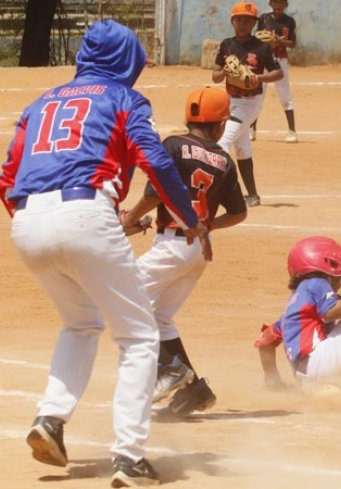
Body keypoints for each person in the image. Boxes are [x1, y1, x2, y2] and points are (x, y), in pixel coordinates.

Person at [0, 20, 207, 487]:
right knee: (139, 336)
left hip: (27, 221)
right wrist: (190, 218)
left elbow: (6, 179)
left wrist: (41, 223)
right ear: (125, 61)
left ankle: (50, 419)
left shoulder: (39, 103)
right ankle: (129, 457)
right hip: (86, 211)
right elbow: (155, 160)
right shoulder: (124, 99)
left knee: (80, 323)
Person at [120, 87, 248, 416]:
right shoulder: (224, 162)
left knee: (124, 298)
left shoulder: (174, 145)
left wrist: (130, 218)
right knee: (159, 317)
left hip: (171, 246)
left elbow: (155, 192)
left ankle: (171, 370)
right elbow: (239, 213)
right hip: (196, 252)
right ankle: (195, 391)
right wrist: (207, 226)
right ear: (220, 126)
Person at [254, 236, 341, 389]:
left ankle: (334, 390)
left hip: (305, 377)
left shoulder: (296, 303)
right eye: (337, 275)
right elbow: (329, 312)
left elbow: (265, 340)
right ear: (325, 264)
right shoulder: (317, 282)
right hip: (321, 362)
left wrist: (273, 381)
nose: (340, 282)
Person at [212, 1, 283, 208]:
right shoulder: (226, 44)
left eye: (248, 20)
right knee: (242, 148)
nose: (243, 24)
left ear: (254, 24)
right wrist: (225, 71)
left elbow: (278, 72)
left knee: (221, 145)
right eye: (239, 20)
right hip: (229, 101)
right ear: (232, 21)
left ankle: (217, 192)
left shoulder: (261, 47)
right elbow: (215, 76)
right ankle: (252, 195)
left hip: (250, 104)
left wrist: (257, 78)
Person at [250, 0, 298, 143]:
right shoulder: (264, 18)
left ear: (286, 5)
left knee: (285, 95)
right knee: (258, 93)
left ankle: (292, 131)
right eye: (275, 3)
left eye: (281, 3)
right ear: (270, 4)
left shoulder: (289, 21)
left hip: (280, 59)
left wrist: (280, 41)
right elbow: (257, 37)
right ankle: (252, 128)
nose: (278, 6)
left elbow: (293, 44)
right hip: (264, 59)